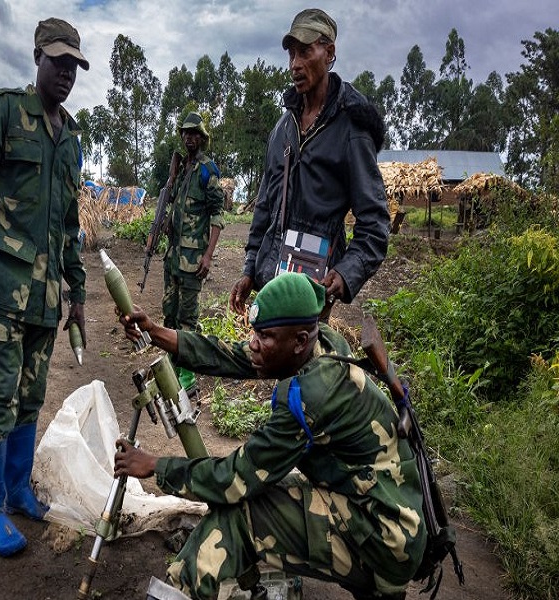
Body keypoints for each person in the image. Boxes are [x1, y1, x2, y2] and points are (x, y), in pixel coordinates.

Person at [116, 272, 426, 600]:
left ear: (299, 340)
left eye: (265, 336)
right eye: (255, 332)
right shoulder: (324, 345)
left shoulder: (310, 397)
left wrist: (154, 465)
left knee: (239, 516)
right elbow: (230, 355)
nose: (253, 343)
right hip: (384, 512)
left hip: (383, 539)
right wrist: (155, 333)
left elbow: (235, 478)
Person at [0, 17, 89, 557]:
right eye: (57, 63)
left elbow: (72, 227)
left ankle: (16, 489)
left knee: (31, 396)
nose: (65, 75)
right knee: (1, 398)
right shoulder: (7, 111)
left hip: (47, 297)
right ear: (37, 57)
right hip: (4, 287)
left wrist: (78, 296)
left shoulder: (73, 137)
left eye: (73, 67)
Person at [229, 8, 389, 320]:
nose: (295, 65)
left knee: (307, 364)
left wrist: (344, 275)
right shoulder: (283, 128)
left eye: (305, 52)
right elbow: (265, 205)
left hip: (313, 286)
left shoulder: (351, 129)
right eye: (291, 54)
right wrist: (250, 269)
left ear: (329, 53)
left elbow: (375, 224)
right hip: (272, 281)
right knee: (270, 360)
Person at [163, 112, 225, 395]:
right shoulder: (182, 170)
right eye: (185, 133)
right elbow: (173, 202)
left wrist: (208, 256)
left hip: (192, 261)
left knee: (188, 319)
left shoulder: (207, 170)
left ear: (201, 138)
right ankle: (171, 368)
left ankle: (187, 378)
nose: (189, 137)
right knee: (170, 315)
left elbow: (217, 215)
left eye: (194, 133)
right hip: (173, 258)